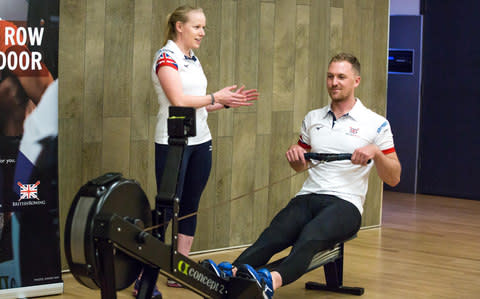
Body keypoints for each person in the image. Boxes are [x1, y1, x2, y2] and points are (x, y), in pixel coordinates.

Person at [203, 53, 401, 299]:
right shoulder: (313, 118)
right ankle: (230, 274)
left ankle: (269, 282)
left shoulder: (376, 123)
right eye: (330, 77)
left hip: (346, 204)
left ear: (356, 81)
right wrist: (295, 157)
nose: (334, 82)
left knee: (310, 236)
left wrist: (377, 154)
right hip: (308, 196)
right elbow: (301, 166)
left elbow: (393, 177)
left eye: (341, 77)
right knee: (272, 236)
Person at [134, 5, 258, 298]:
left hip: (201, 140)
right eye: (197, 27)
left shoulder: (192, 58)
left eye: (204, 27)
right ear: (180, 27)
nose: (202, 32)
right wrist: (215, 95)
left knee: (191, 203)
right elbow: (177, 99)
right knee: (166, 208)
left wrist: (224, 102)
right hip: (173, 143)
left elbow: (196, 102)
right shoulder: (166, 57)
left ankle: (181, 268)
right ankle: (144, 276)